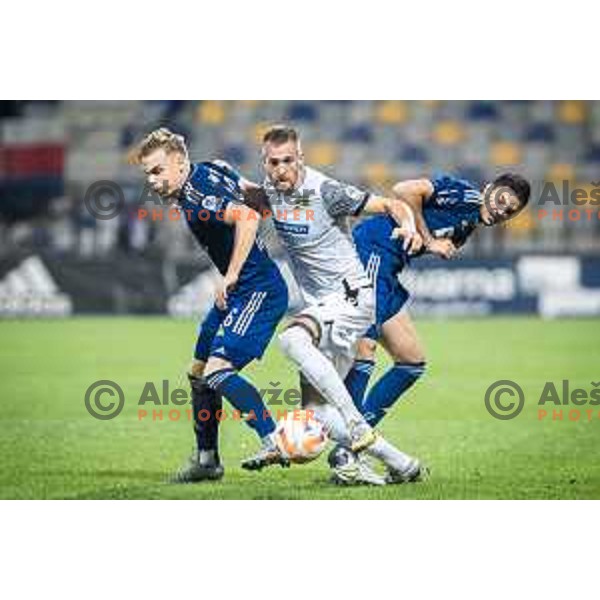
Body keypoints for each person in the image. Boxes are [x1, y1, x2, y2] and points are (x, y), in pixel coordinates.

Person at [240, 124, 426, 485]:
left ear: (301, 158)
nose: (281, 169)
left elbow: (392, 204)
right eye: (273, 162)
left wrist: (408, 227)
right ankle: (403, 464)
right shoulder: (269, 192)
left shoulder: (325, 191)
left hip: (352, 297)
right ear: (264, 163)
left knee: (292, 340)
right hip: (323, 308)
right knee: (316, 414)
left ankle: (357, 424)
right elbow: (239, 192)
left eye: (288, 161)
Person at [334, 172, 531, 479]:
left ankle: (349, 445)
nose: (500, 210)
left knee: (411, 361)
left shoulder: (467, 225)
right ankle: (346, 453)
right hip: (372, 251)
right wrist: (429, 241)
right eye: (501, 200)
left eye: (509, 211)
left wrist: (431, 241)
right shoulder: (466, 196)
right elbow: (404, 189)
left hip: (389, 268)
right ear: (489, 188)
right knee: (365, 346)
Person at [131, 128, 289, 483]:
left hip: (257, 289)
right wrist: (274, 202)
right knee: (198, 373)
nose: (153, 181)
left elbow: (248, 217)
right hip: (239, 292)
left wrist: (230, 274)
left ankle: (275, 438)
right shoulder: (212, 167)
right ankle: (207, 460)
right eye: (147, 174)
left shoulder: (199, 195)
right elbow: (252, 195)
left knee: (217, 370)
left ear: (180, 162)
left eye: (158, 171)